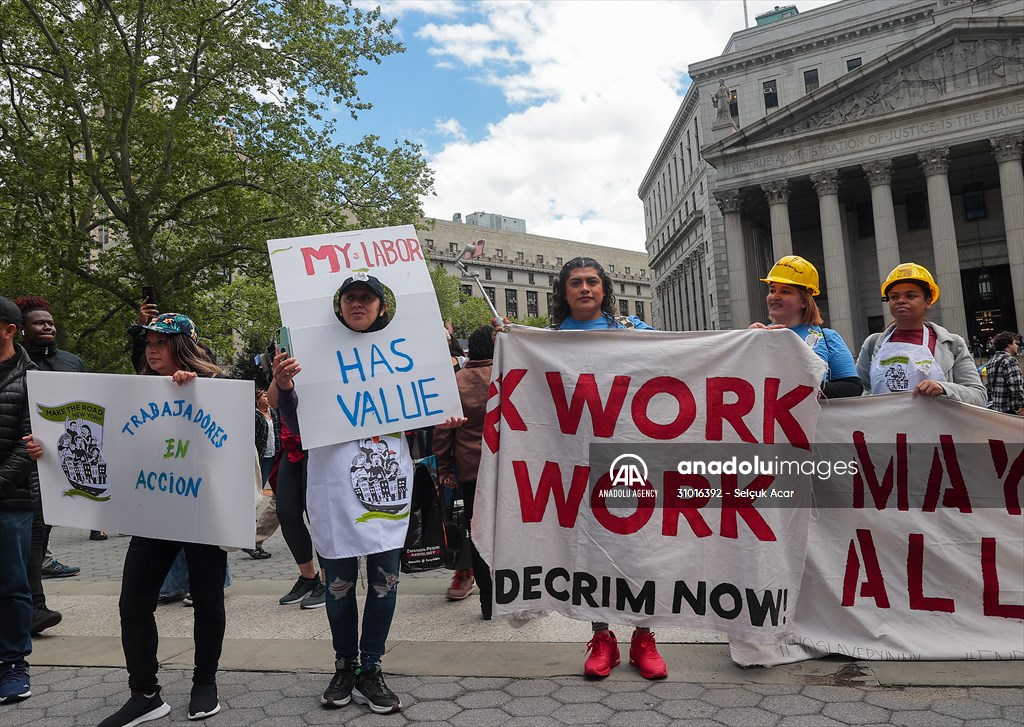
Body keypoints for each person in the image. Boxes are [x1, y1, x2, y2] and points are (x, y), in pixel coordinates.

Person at [273, 272, 463, 715]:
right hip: (333, 487)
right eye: (350, 297)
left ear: (382, 307)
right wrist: (284, 386)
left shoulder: (402, 358)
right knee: (338, 585)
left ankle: (371, 669)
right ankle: (344, 665)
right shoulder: (310, 358)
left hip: (386, 487)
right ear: (339, 305)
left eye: (367, 298)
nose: (358, 304)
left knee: (384, 581)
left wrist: (440, 417)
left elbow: (418, 413)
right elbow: (298, 426)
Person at [98, 312, 228, 726]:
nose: (152, 350)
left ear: (183, 345)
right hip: (154, 511)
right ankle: (145, 694)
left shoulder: (217, 388)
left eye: (161, 343)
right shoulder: (137, 391)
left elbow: (233, 443)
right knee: (133, 602)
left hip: (203, 510)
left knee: (207, 599)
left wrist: (198, 395)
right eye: (148, 343)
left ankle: (204, 682)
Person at [541, 257, 665, 680]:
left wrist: (753, 342)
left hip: (633, 457)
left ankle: (644, 638)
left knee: (641, 546)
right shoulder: (547, 341)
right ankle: (603, 638)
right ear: (563, 291)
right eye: (575, 282)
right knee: (591, 549)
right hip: (575, 462)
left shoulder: (634, 333)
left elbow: (689, 357)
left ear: (605, 288)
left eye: (593, 281)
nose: (585, 289)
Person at [857, 263, 986, 406]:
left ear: (928, 302)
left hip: (938, 428)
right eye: (894, 297)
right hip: (886, 428)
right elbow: (860, 389)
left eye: (910, 296)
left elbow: (978, 396)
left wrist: (944, 388)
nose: (900, 300)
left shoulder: (952, 345)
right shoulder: (872, 344)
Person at [433, 325, 496, 617]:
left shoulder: (456, 382)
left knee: (478, 533)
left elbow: (443, 432)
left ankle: (487, 600)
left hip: (471, 472)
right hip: (508, 469)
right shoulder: (509, 378)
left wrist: (445, 468)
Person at [748, 256, 861, 399]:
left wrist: (809, 390)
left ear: (803, 301)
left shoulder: (828, 338)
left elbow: (853, 387)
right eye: (772, 290)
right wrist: (747, 343)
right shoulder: (756, 335)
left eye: (785, 291)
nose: (774, 296)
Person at [0, 297, 37, 704]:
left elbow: (31, 447)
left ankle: (13, 664)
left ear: (10, 329)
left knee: (12, 585)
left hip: (11, 502)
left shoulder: (33, 379)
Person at [985, 331, 1024, 415]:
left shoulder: (990, 362)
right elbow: (1016, 385)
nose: (1017, 345)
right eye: (1015, 343)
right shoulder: (1010, 360)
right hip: (1013, 408)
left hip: (998, 408)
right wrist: (1022, 404)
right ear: (1009, 344)